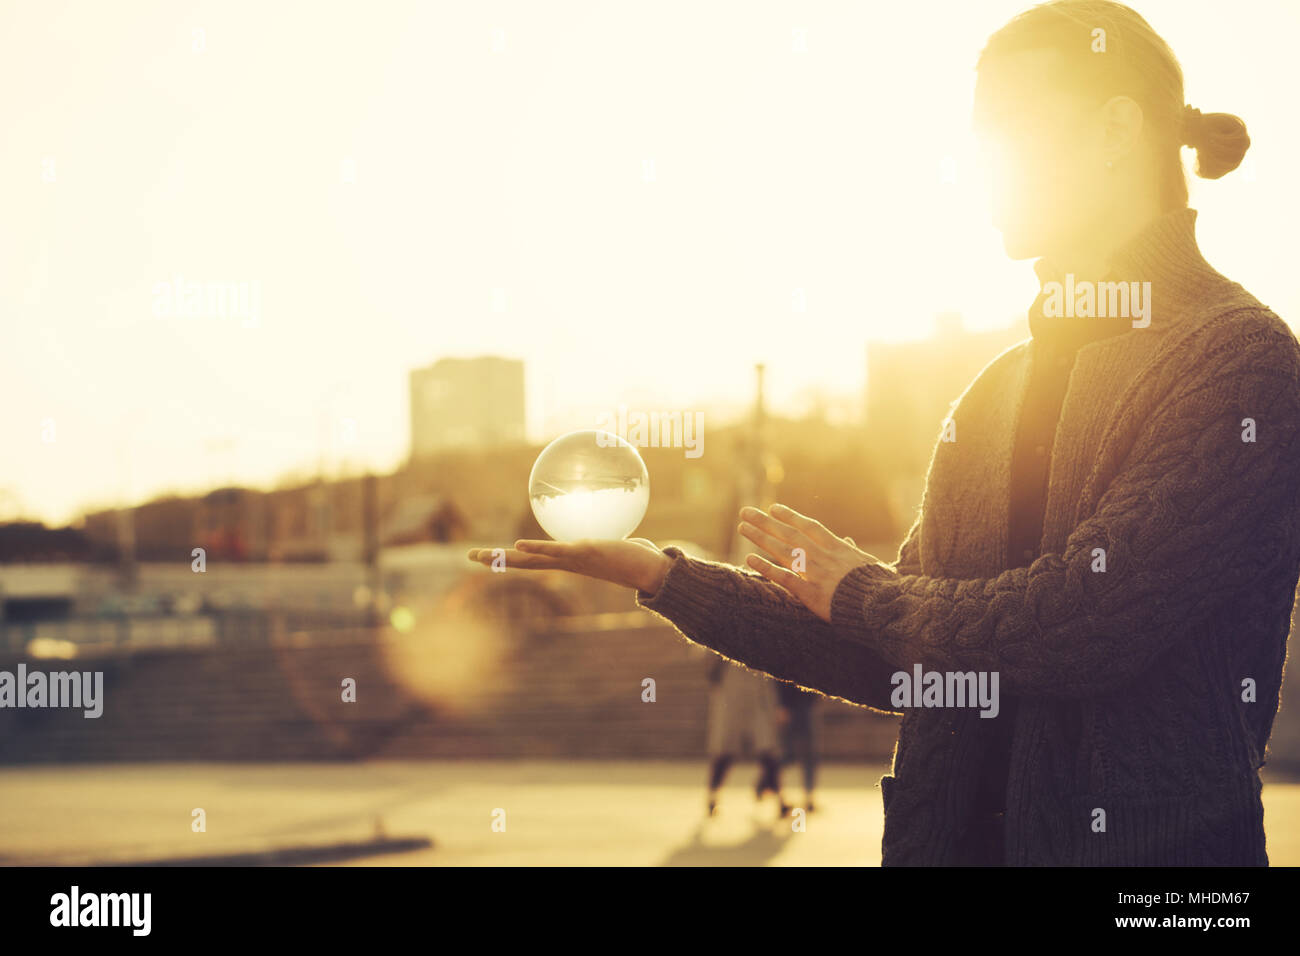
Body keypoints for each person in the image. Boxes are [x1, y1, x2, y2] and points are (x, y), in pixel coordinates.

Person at [470, 0, 1300, 865]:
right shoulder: (994, 393)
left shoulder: (1240, 358)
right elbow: (901, 662)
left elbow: (1082, 624)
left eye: (1005, 135)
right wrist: (668, 579)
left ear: (1113, 132)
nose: (982, 171)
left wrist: (863, 592)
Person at [703, 656, 789, 819]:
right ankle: (712, 798)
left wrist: (775, 706)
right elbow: (710, 670)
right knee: (725, 752)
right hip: (732, 695)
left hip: (757, 692)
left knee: (768, 751)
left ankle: (780, 801)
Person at [775, 681, 820, 813]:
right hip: (792, 706)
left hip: (803, 705)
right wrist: (783, 705)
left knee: (807, 755)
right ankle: (781, 797)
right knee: (787, 755)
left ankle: (808, 796)